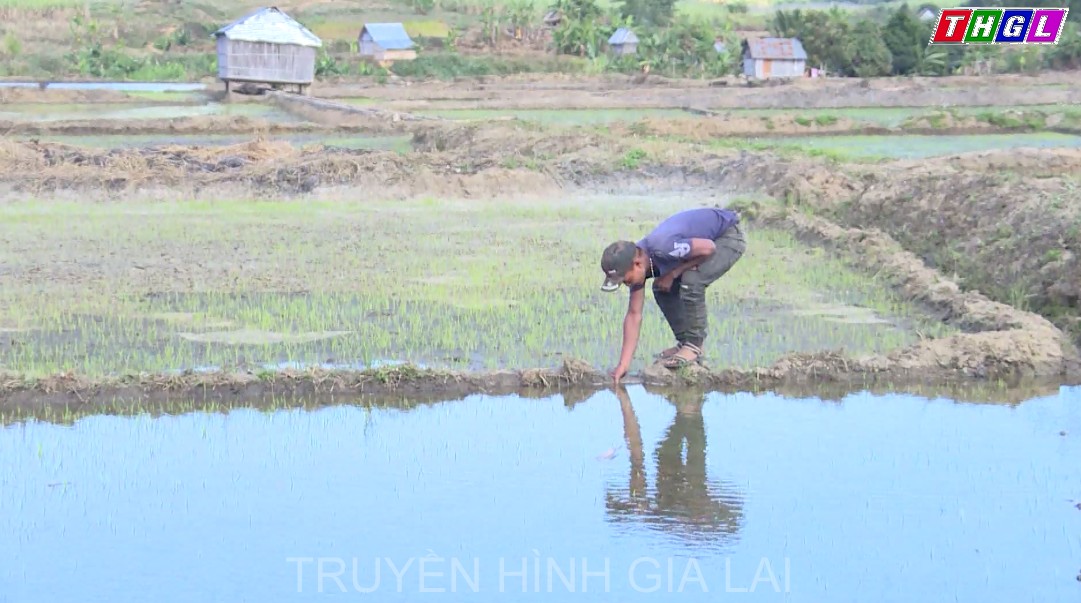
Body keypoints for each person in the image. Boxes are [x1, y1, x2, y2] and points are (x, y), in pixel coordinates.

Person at [600, 206, 746, 384]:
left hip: (727, 237)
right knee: (661, 288)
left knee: (691, 282)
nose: (625, 283)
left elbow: (708, 248)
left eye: (625, 279)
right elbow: (634, 314)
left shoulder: (663, 248)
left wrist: (673, 273)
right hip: (704, 245)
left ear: (637, 264)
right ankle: (685, 342)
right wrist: (623, 365)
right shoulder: (640, 263)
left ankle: (693, 346)